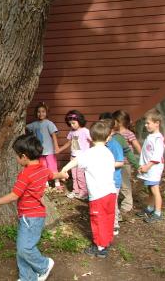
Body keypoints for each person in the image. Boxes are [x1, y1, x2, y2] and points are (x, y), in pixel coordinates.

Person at [0, 134, 67, 281]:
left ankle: (44, 265)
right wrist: (61, 174)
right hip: (29, 216)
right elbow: (51, 175)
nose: (16, 159)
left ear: (24, 156)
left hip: (32, 217)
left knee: (25, 248)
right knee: (21, 248)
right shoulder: (42, 169)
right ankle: (27, 278)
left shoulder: (25, 174)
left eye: (17, 156)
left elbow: (14, 195)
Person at [61, 121, 117, 258]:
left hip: (98, 195)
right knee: (108, 217)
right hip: (111, 193)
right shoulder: (108, 153)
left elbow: (75, 161)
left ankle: (100, 247)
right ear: (108, 137)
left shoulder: (89, 153)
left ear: (90, 138)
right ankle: (107, 240)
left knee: (98, 220)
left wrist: (64, 169)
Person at [136, 108, 165, 223]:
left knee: (154, 189)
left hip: (153, 169)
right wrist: (142, 165)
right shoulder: (150, 136)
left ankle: (157, 212)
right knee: (150, 189)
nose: (145, 125)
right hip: (147, 167)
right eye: (145, 122)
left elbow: (156, 157)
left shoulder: (158, 139)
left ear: (157, 123)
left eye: (148, 123)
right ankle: (149, 208)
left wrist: (147, 166)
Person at [26, 102, 62, 192]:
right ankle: (45, 184)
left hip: (49, 151)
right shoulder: (34, 124)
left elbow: (54, 135)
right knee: (43, 167)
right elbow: (25, 127)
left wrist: (56, 146)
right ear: (36, 113)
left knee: (52, 167)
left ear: (46, 113)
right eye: (38, 112)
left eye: (43, 111)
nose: (41, 114)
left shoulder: (49, 123)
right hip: (39, 151)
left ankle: (57, 183)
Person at [112, 110, 142, 213]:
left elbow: (137, 146)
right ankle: (118, 200)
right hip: (115, 163)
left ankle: (127, 204)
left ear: (119, 122)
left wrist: (142, 161)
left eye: (114, 121)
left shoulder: (129, 133)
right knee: (116, 183)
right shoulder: (113, 134)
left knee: (125, 185)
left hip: (125, 163)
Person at [58, 110, 91, 200]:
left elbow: (93, 140)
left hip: (82, 157)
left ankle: (83, 192)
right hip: (73, 157)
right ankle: (76, 190)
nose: (72, 125)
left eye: (73, 123)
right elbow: (68, 143)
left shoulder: (85, 131)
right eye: (70, 124)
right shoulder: (72, 132)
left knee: (80, 175)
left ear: (79, 121)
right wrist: (59, 149)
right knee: (74, 175)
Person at [99, 118, 124, 236]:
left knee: (112, 203)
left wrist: (106, 164)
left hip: (114, 180)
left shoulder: (114, 144)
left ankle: (114, 224)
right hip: (103, 180)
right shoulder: (101, 144)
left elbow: (120, 162)